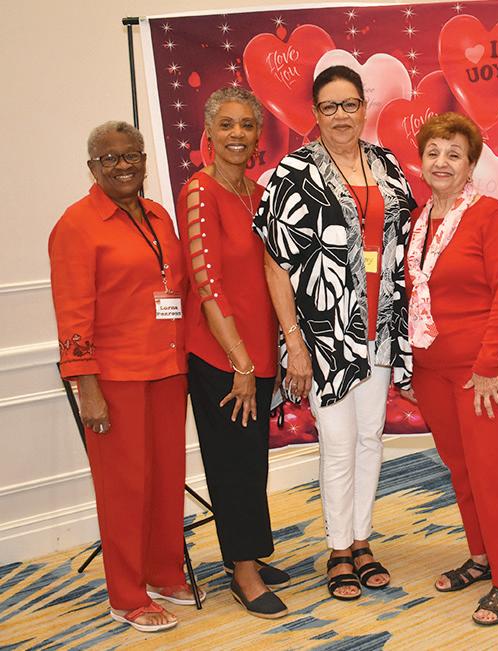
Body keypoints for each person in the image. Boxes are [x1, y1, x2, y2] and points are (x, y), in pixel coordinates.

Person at [254, 65, 415, 601]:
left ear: (364, 107)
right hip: (324, 332)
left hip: (379, 326)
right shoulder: (294, 171)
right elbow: (275, 264)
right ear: (315, 113)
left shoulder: (387, 164)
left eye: (350, 105)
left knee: (370, 437)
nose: (341, 115)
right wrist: (294, 342)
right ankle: (338, 548)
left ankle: (362, 540)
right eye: (329, 107)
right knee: (339, 442)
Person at [49, 121, 201, 632]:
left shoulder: (158, 214)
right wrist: (86, 387)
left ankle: (163, 571)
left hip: (168, 368)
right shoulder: (77, 224)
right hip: (114, 377)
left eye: (131, 155)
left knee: (165, 478)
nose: (122, 166)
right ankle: (127, 594)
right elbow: (72, 315)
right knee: (124, 489)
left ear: (144, 160)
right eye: (109, 158)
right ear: (92, 167)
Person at [406, 113, 498, 625]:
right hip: (434, 369)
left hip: (488, 369)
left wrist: (486, 366)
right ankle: (481, 558)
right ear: (421, 160)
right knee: (461, 470)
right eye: (433, 152)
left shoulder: (488, 214)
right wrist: (413, 367)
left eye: (454, 154)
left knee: (491, 474)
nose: (442, 162)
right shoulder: (419, 220)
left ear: (470, 164)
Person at [175, 87, 289, 619]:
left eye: (246, 124)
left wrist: (272, 354)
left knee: (252, 459)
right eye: (226, 124)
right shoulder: (199, 191)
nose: (237, 134)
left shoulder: (257, 192)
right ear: (209, 133)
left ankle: (249, 551)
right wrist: (240, 361)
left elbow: (270, 275)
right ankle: (243, 571)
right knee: (232, 463)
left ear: (258, 134)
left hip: (258, 351)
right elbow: (207, 283)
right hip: (222, 355)